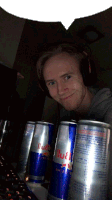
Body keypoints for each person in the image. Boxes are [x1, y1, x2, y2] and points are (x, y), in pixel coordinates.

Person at [36, 43, 112, 198]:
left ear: (85, 74)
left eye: (67, 77)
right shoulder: (65, 117)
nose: (60, 90)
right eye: (52, 83)